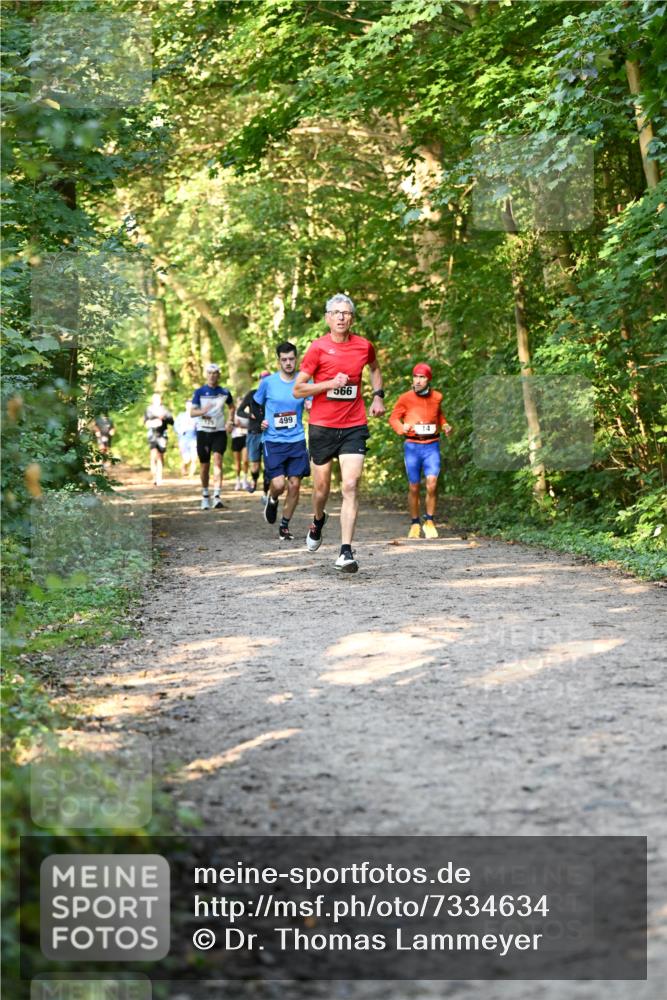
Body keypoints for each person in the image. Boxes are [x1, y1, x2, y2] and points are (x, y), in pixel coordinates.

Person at [293, 293, 385, 573]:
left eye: (347, 313)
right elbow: (298, 389)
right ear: (328, 318)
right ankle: (318, 520)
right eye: (337, 312)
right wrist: (329, 384)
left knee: (350, 485)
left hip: (354, 425)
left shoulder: (363, 346)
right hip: (322, 426)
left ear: (352, 318)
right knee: (321, 490)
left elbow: (375, 368)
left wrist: (378, 396)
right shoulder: (318, 348)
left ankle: (346, 551)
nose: (342, 317)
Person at [254, 342, 311, 541]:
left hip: (296, 440)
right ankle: (273, 498)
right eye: (284, 359)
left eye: (291, 359)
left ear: (296, 359)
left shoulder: (305, 381)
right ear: (278, 361)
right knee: (278, 484)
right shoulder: (268, 382)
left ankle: (284, 525)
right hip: (273, 440)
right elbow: (255, 404)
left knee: (295, 485)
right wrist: (260, 420)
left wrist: (311, 405)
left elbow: (311, 402)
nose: (288, 363)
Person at [389, 362, 452, 538]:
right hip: (413, 446)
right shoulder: (405, 398)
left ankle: (429, 521)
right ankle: (415, 523)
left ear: (428, 379)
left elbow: (438, 415)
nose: (418, 380)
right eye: (415, 376)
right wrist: (402, 428)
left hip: (432, 446)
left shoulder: (437, 397)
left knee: (432, 484)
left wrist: (445, 425)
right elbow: (394, 418)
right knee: (414, 486)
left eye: (422, 377)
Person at [190, 363, 235, 509]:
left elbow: (232, 407)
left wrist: (230, 421)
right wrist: (203, 411)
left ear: (219, 375)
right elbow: (192, 413)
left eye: (215, 373)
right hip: (203, 431)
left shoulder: (224, 392)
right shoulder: (199, 392)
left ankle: (217, 496)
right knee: (204, 466)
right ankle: (204, 495)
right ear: (206, 375)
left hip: (219, 431)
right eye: (209, 373)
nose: (212, 375)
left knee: (218, 461)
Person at [237, 371, 270, 495]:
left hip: (269, 434)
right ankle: (255, 480)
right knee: (255, 465)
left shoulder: (273, 395)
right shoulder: (252, 394)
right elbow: (239, 411)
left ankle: (266, 492)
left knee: (269, 464)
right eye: (263, 379)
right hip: (253, 433)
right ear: (260, 381)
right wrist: (249, 415)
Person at [143, 393, 174, 486]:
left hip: (162, 435)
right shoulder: (149, 409)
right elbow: (145, 422)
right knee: (153, 454)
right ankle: (154, 475)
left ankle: (159, 477)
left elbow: (172, 421)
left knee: (160, 455)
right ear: (152, 400)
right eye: (156, 399)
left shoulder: (165, 410)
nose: (158, 401)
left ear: (161, 400)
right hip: (152, 434)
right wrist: (151, 421)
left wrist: (164, 418)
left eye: (159, 399)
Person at [174, 400, 198, 478]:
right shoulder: (181, 416)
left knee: (194, 458)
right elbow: (176, 426)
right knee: (187, 459)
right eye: (188, 405)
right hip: (184, 438)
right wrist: (181, 431)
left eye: (191, 405)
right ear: (185, 406)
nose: (189, 407)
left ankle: (191, 476)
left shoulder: (196, 416)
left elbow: (200, 427)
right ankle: (184, 467)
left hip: (194, 438)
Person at [231, 412, 250, 490]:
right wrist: (232, 424)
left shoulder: (249, 415)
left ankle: (245, 481)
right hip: (236, 438)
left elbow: (253, 426)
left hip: (246, 437)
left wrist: (242, 425)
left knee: (245, 461)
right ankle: (238, 481)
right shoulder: (233, 414)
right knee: (237, 463)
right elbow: (228, 429)